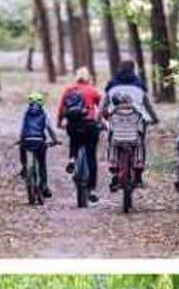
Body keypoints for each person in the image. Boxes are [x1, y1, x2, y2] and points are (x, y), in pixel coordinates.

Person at [103, 60, 159, 183]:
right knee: (139, 142)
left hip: (116, 119)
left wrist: (101, 117)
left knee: (112, 139)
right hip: (137, 119)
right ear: (133, 69)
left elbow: (105, 104)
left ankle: (114, 166)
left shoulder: (112, 84)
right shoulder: (139, 84)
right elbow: (147, 105)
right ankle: (138, 173)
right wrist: (154, 119)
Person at [57, 68, 101, 202]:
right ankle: (92, 189)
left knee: (74, 140)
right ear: (88, 78)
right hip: (89, 125)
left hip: (73, 124)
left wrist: (59, 122)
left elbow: (61, 108)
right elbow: (99, 108)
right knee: (91, 156)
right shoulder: (93, 91)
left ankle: (72, 159)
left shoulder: (69, 90)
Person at [17, 92, 60, 199]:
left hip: (27, 140)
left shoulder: (26, 114)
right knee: (42, 163)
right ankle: (44, 186)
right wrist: (55, 141)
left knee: (23, 149)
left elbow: (22, 129)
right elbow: (50, 130)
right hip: (40, 141)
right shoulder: (44, 115)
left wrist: (20, 140)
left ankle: (24, 166)